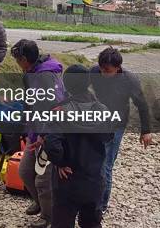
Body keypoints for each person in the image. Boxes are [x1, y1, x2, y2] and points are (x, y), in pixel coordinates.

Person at [44, 64, 113, 228]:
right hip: (94, 178)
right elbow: (108, 136)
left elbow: (52, 143)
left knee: (62, 222)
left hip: (68, 178)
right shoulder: (101, 109)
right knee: (91, 223)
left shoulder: (59, 110)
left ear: (66, 84)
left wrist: (60, 162)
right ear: (88, 83)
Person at [89, 47, 152, 212]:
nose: (103, 72)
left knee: (106, 165)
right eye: (101, 68)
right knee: (91, 161)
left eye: (107, 70)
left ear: (118, 68)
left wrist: (145, 131)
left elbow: (142, 105)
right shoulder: (95, 71)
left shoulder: (130, 80)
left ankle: (101, 206)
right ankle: (89, 197)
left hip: (117, 124)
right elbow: (79, 86)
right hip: (97, 120)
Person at [11, 39, 66, 228]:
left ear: (25, 59)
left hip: (49, 134)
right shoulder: (30, 73)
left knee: (43, 179)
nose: (18, 64)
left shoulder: (47, 76)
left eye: (18, 60)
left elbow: (57, 108)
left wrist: (46, 136)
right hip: (35, 131)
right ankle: (40, 203)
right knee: (25, 172)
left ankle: (49, 217)